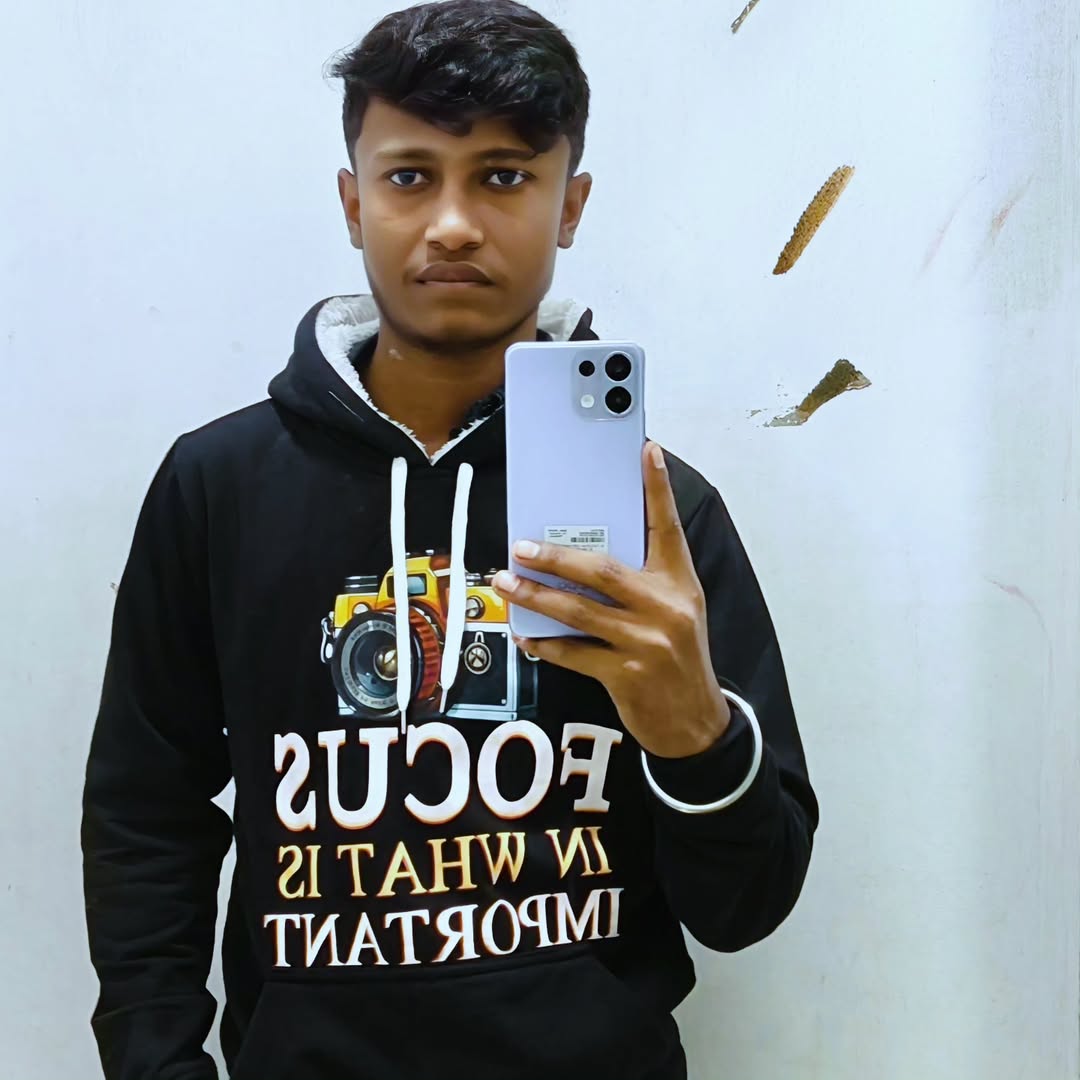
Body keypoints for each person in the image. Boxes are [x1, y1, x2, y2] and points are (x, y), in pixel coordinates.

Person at [80, 2, 819, 1078]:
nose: (455, 224)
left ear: (571, 206)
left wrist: (693, 733)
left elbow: (747, 908)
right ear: (353, 202)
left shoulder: (659, 510)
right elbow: (146, 813)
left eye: (505, 176)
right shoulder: (219, 485)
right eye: (411, 176)